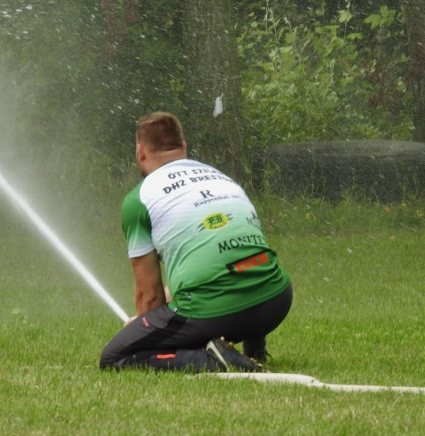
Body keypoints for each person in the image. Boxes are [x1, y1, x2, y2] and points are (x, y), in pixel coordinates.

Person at [100, 112, 292, 372]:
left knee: (115, 357)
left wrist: (144, 330)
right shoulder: (221, 179)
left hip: (217, 315)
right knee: (241, 264)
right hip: (275, 301)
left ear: (140, 151)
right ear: (184, 148)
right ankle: (254, 351)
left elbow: (150, 295)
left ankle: (209, 360)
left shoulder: (139, 200)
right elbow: (233, 258)